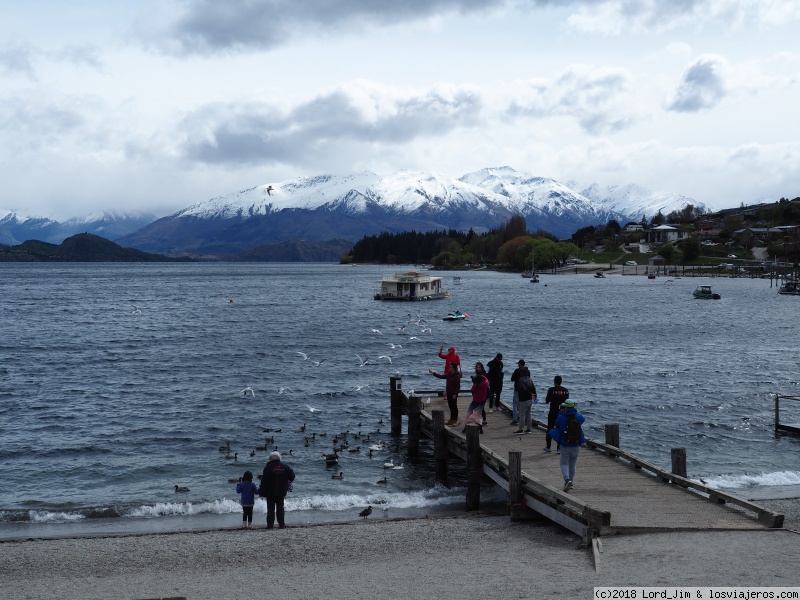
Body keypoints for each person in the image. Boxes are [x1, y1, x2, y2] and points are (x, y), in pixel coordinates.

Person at [548, 400, 585, 492]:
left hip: (565, 444)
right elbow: (582, 418)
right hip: (576, 444)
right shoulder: (578, 417)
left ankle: (566, 479)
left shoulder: (561, 417)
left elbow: (557, 424)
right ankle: (571, 481)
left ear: (565, 407)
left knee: (564, 463)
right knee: (573, 463)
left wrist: (561, 411)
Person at [259, 451, 296, 529]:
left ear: (270, 459)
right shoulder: (285, 466)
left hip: (270, 491)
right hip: (282, 490)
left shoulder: (268, 467)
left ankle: (270, 525)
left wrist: (261, 491)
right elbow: (292, 476)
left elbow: (264, 481)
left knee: (270, 508)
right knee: (280, 508)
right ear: (279, 458)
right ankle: (281, 524)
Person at [429, 361, 462, 426]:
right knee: (450, 406)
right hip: (449, 393)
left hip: (453, 394)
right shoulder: (449, 375)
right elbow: (441, 376)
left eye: (450, 367)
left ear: (453, 368)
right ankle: (451, 419)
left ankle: (455, 420)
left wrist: (455, 394)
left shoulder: (456, 376)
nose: (449, 368)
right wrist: (433, 373)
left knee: (454, 407)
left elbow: (458, 386)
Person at [543, 376, 570, 453]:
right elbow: (567, 402)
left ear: (554, 381)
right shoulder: (566, 391)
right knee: (561, 429)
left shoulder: (551, 390)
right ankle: (559, 448)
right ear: (561, 381)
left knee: (550, 428)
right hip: (562, 413)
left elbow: (547, 400)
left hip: (553, 412)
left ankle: (548, 446)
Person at [463, 362, 488, 434]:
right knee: (478, 414)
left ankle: (466, 427)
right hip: (482, 400)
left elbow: (472, 390)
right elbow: (486, 379)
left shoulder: (477, 385)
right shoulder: (485, 383)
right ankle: (480, 429)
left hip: (476, 400)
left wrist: (474, 383)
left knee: (469, 413)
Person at [514, 365, 536, 434]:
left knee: (522, 414)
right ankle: (529, 429)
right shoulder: (530, 379)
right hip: (530, 399)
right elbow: (533, 388)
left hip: (523, 399)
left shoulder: (521, 380)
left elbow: (523, 389)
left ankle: (521, 429)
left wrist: (528, 393)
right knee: (529, 414)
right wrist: (534, 396)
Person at [509, 359, 530, 426]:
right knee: (522, 405)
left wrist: (513, 375)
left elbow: (512, 379)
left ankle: (515, 420)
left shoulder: (517, 370)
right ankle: (523, 418)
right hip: (525, 390)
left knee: (515, 404)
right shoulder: (528, 371)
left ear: (520, 364)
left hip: (517, 389)